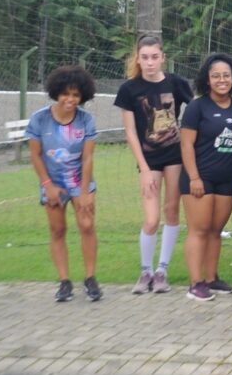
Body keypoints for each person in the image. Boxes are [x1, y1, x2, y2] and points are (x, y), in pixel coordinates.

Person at [114, 35, 194, 295]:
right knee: (151, 219)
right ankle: (145, 270)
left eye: (154, 57)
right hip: (149, 160)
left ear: (163, 58)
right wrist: (145, 168)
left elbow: (194, 114)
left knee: (172, 212)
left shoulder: (177, 84)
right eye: (144, 57)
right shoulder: (129, 90)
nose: (149, 62)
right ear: (138, 58)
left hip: (175, 156)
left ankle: (161, 271)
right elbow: (130, 132)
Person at [26, 65, 100, 302]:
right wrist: (47, 185)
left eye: (76, 95)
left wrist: (85, 191)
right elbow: (35, 155)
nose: (70, 99)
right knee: (58, 230)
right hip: (52, 181)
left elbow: (88, 157)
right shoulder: (40, 119)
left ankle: (90, 278)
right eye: (66, 93)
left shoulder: (86, 121)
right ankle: (64, 281)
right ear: (56, 92)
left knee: (87, 225)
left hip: (79, 180)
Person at [178, 53, 232, 301]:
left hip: (226, 179)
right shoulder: (197, 107)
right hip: (199, 179)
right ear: (207, 79)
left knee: (216, 230)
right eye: (216, 76)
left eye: (226, 75)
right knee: (199, 229)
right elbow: (186, 146)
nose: (221, 80)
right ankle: (195, 283)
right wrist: (194, 178)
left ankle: (211, 278)